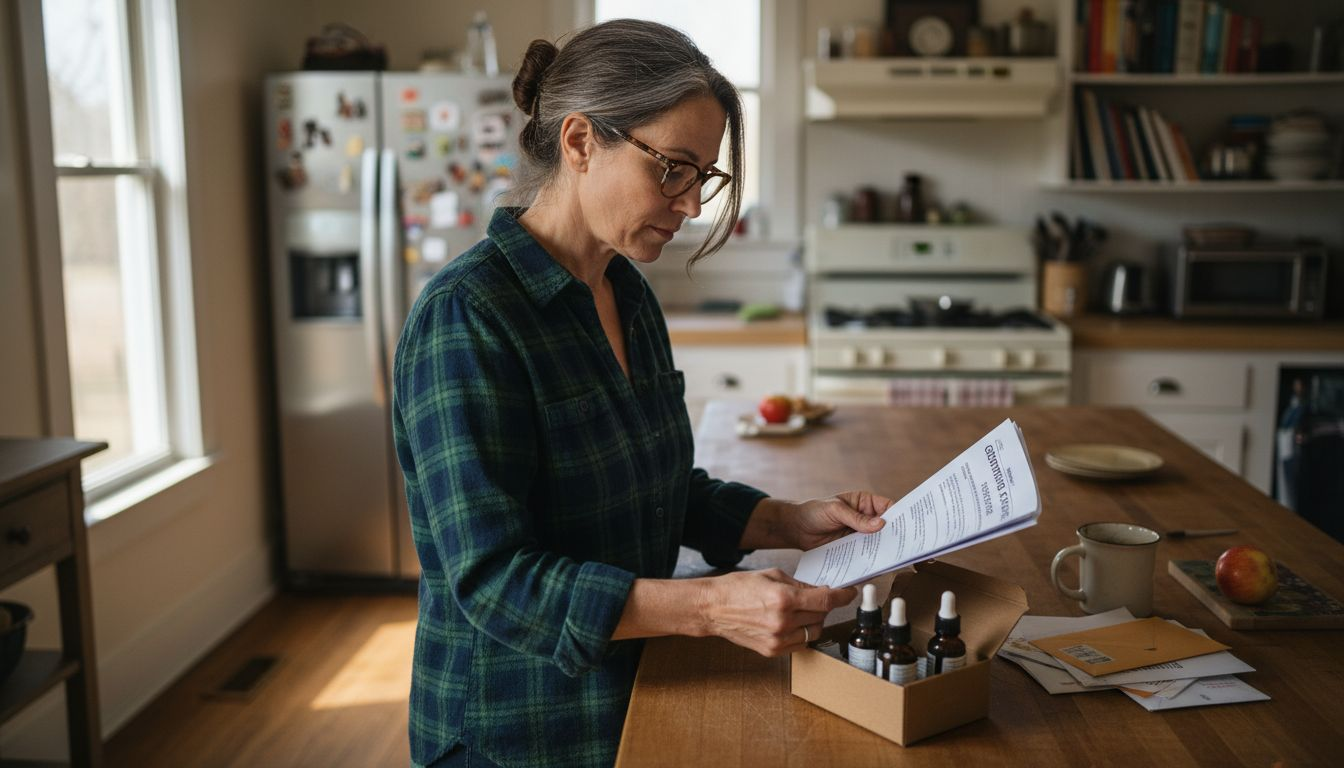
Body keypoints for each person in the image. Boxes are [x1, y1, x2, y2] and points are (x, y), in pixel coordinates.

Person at [392, 19, 894, 768]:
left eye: (705, 175)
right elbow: (493, 581)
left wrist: (789, 519)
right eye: (673, 168)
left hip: (634, 689)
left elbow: (655, 488)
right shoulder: (469, 319)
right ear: (580, 142)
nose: (691, 203)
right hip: (513, 731)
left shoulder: (625, 292)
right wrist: (716, 606)